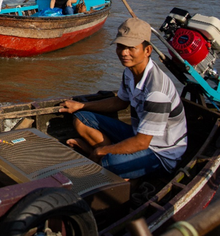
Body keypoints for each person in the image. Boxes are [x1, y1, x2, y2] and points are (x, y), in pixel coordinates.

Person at [59, 18, 187, 179]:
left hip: (160, 153)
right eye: (120, 46)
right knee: (81, 119)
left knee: (110, 163)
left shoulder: (156, 92)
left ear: (147, 50)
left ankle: (99, 155)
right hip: (137, 133)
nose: (124, 53)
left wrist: (102, 150)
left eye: (131, 48)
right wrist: (81, 106)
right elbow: (119, 102)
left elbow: (142, 143)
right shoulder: (129, 72)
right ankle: (104, 156)